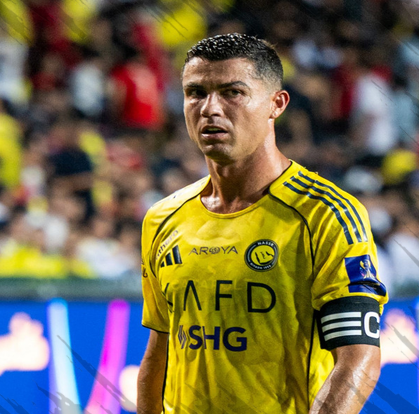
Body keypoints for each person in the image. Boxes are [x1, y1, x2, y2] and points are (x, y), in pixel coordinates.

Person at [138, 34, 387, 414]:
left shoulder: (325, 214)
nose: (210, 108)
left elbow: (358, 359)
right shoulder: (162, 218)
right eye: (196, 93)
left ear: (277, 104)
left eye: (232, 92)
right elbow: (161, 349)